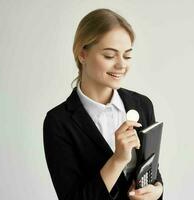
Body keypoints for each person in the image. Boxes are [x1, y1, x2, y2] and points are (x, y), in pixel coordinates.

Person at [43, 8, 163, 200]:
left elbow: (152, 171)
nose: (121, 65)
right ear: (83, 54)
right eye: (109, 55)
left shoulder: (142, 104)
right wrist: (117, 160)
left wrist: (157, 190)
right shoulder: (59, 122)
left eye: (127, 55)